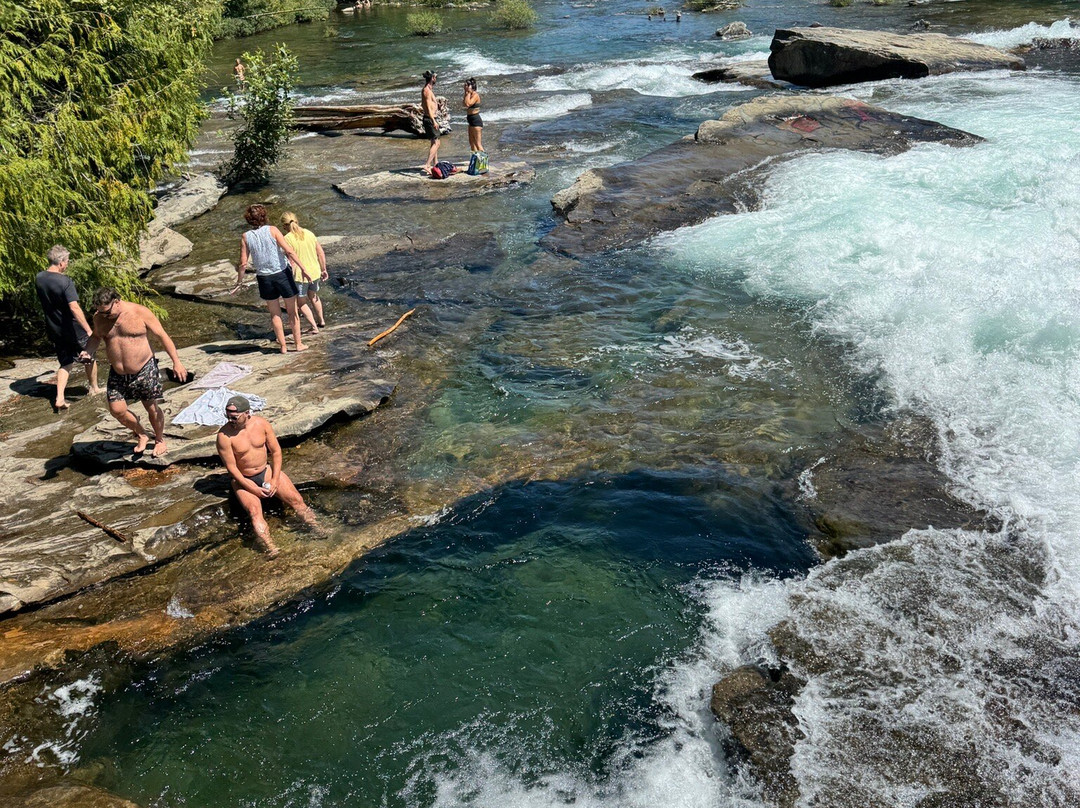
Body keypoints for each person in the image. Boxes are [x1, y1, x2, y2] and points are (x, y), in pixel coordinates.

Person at [79, 288, 188, 458]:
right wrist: (88, 351)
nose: (104, 316)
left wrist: (177, 362)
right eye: (100, 312)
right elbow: (95, 337)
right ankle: (142, 434)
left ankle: (159, 440)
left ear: (117, 302)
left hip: (144, 368)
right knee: (117, 410)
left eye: (107, 312)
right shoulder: (99, 317)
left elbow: (162, 335)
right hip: (117, 371)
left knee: (151, 407)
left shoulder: (139, 312)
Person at [216, 395, 321, 558]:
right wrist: (253, 488)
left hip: (266, 472)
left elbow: (277, 452)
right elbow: (232, 469)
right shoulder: (224, 437)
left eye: (234, 417)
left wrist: (274, 480)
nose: (230, 420)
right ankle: (272, 548)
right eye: (227, 416)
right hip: (243, 479)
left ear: (247, 413)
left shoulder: (261, 424)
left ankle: (318, 528)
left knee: (296, 500)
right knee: (255, 512)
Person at [232, 204, 308, 353]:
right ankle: (299, 344)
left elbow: (242, 263)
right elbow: (289, 251)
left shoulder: (246, 236)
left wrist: (239, 282)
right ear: (264, 216)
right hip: (282, 274)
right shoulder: (273, 230)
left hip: (264, 278)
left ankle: (283, 347)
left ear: (248, 219)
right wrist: (303, 268)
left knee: (275, 314)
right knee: (292, 312)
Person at [34, 245, 99, 410]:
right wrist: (89, 330)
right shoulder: (65, 281)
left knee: (66, 362)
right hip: (72, 327)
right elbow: (75, 308)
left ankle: (60, 398)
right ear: (61, 262)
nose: (68, 264)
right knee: (89, 355)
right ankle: (94, 388)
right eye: (67, 261)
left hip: (54, 328)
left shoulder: (40, 277)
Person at [281, 212, 329, 332]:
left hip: (300, 275)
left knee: (301, 302)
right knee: (313, 296)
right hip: (315, 271)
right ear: (297, 221)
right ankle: (321, 321)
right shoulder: (309, 233)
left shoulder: (287, 238)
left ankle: (313, 327)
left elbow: (291, 260)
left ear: (284, 226)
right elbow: (320, 253)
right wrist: (323, 269)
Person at [420, 70, 441, 174]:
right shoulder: (427, 91)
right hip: (429, 119)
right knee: (437, 142)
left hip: (431, 118)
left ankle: (435, 163)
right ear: (432, 78)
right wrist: (434, 121)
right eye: (435, 77)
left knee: (434, 141)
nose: (436, 79)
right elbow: (427, 106)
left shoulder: (428, 89)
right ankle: (427, 165)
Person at [462, 78, 484, 154]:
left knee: (478, 144)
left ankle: (483, 162)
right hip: (470, 120)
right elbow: (464, 104)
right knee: (472, 143)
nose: (466, 87)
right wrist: (466, 93)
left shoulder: (475, 95)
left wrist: (468, 93)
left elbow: (468, 104)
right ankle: (474, 160)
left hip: (476, 120)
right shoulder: (469, 94)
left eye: (467, 85)